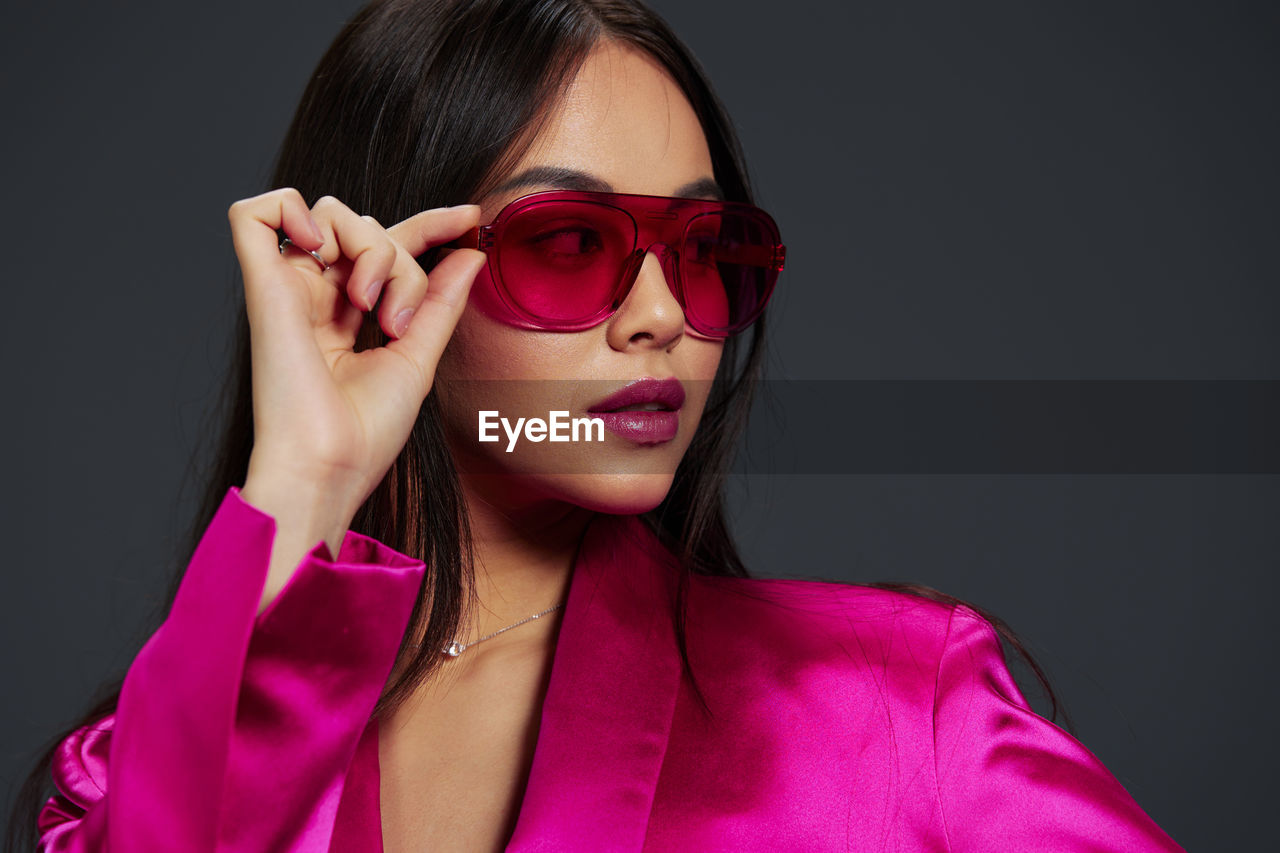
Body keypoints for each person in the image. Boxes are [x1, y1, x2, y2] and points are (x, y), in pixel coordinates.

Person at [10, 0, 1185, 850]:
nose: (664, 318)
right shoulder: (133, 767)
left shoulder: (895, 706)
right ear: (386, 271)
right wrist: (301, 487)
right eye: (571, 244)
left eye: (702, 251)